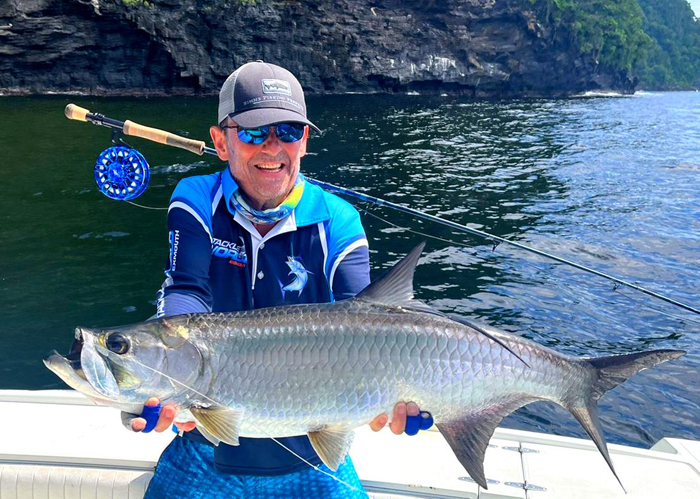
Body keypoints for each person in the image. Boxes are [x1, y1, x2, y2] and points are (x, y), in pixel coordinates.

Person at [124, 61, 428, 498]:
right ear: (220, 141)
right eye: (253, 132)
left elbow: (369, 324)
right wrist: (159, 379)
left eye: (288, 131)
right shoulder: (196, 199)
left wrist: (399, 393)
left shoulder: (338, 220)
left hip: (317, 458)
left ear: (304, 141)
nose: (273, 146)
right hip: (204, 449)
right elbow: (186, 290)